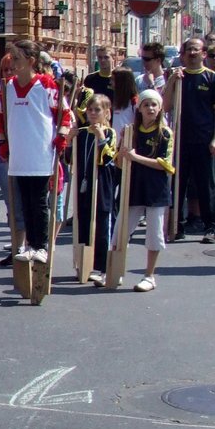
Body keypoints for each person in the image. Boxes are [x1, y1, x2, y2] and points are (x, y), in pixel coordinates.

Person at [0, 37, 71, 266]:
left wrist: (61, 136)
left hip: (40, 154)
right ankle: (28, 245)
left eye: (17, 59)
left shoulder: (46, 85)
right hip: (18, 155)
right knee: (24, 202)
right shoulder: (8, 87)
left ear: (31, 61)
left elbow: (64, 115)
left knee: (39, 202)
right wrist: (3, 141)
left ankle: (40, 246)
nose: (13, 63)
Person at [169, 37, 215, 243]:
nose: (192, 53)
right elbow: (166, 106)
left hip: (204, 140)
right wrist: (171, 81)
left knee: (207, 185)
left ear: (203, 54)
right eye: (188, 50)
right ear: (183, 55)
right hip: (181, 139)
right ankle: (176, 225)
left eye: (196, 50)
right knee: (178, 184)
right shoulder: (178, 77)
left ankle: (212, 226)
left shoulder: (212, 78)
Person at [121, 88, 173, 292]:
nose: (150, 108)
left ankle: (149, 276)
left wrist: (136, 158)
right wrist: (122, 149)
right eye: (146, 105)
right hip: (133, 187)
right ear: (139, 108)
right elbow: (120, 161)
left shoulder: (165, 133)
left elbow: (165, 164)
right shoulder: (131, 131)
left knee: (153, 234)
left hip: (155, 190)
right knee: (120, 232)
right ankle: (114, 270)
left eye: (154, 105)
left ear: (159, 108)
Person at [74, 94, 120, 286]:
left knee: (102, 223)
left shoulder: (110, 132)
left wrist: (101, 136)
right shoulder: (82, 133)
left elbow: (109, 158)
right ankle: (85, 264)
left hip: (102, 183)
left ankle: (104, 267)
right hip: (84, 182)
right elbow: (71, 157)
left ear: (106, 113)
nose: (93, 113)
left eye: (97, 110)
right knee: (84, 221)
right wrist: (69, 139)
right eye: (90, 110)